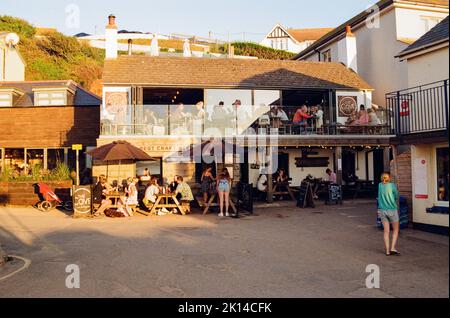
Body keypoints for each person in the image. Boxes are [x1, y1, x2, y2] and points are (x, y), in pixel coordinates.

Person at [377, 173, 400, 256]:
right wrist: (393, 199)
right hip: (392, 210)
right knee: (395, 230)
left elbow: (379, 197)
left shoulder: (380, 185)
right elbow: (397, 195)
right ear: (389, 178)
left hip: (382, 210)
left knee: (386, 231)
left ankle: (387, 251)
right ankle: (392, 248)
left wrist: (379, 208)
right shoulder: (392, 185)